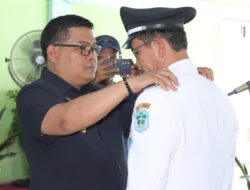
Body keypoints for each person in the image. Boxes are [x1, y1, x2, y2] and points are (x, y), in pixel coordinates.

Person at [16, 14, 178, 190]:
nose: (92, 56)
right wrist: (130, 84)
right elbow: (65, 120)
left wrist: (186, 79)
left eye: (94, 49)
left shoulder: (105, 94)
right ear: (53, 53)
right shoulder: (34, 95)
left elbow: (148, 118)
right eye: (83, 48)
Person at [120, 6, 238, 190]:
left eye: (137, 53)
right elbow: (226, 176)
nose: (137, 63)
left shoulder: (155, 99)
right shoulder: (219, 95)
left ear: (159, 47)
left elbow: (145, 181)